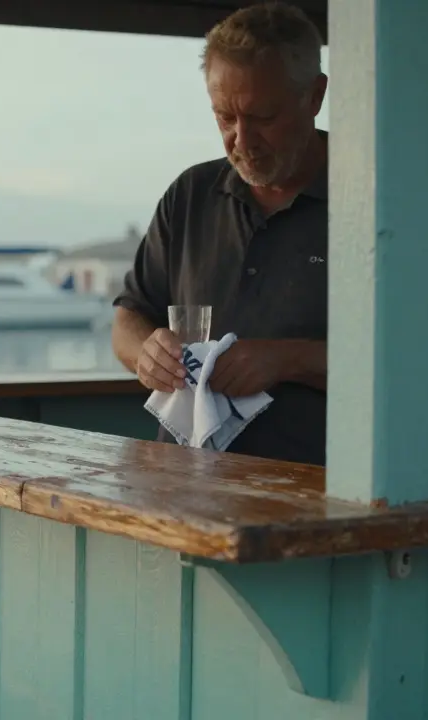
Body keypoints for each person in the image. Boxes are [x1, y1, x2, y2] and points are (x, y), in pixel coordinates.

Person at [111, 2, 329, 466]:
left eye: (263, 118)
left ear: (314, 97)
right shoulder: (189, 193)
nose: (241, 140)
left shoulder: (381, 203)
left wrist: (288, 360)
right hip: (186, 491)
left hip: (322, 501)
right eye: (224, 117)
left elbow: (411, 363)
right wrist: (145, 354)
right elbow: (128, 321)